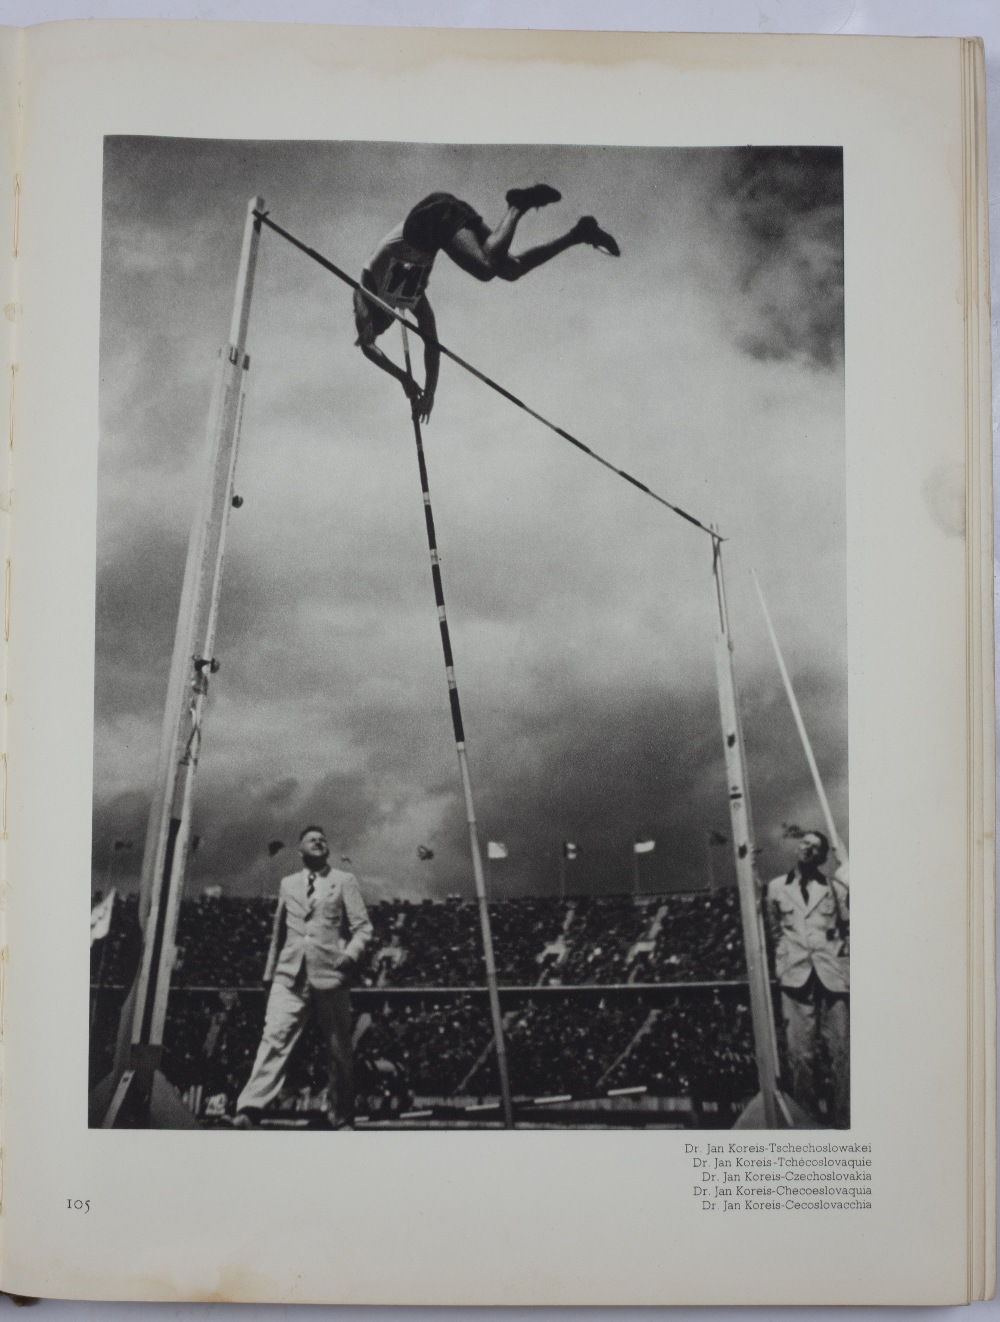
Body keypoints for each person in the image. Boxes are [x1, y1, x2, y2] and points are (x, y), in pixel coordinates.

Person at [353, 185, 619, 421]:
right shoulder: (411, 298)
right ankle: (579, 234)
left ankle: (517, 205)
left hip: (431, 216)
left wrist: (403, 379)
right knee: (511, 269)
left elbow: (366, 344)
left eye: (381, 327)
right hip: (444, 216)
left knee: (485, 268)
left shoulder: (366, 287)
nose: (384, 328)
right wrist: (427, 392)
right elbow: (432, 343)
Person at [233, 825, 373, 1129]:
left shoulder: (344, 880)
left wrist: (349, 956)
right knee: (274, 1038)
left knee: (338, 1048)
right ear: (300, 850)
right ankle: (249, 1108)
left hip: (331, 973)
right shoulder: (288, 884)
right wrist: (269, 974)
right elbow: (278, 932)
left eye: (323, 839)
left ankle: (341, 1116)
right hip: (290, 973)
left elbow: (363, 927)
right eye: (312, 839)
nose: (319, 841)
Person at [765, 829, 849, 1126]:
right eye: (805, 843)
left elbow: (846, 927)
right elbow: (775, 931)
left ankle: (844, 1120)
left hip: (832, 977)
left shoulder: (835, 888)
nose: (809, 849)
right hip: (795, 977)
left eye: (816, 847)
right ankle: (806, 1122)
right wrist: (785, 962)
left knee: (841, 1053)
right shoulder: (776, 888)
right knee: (800, 1056)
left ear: (824, 856)